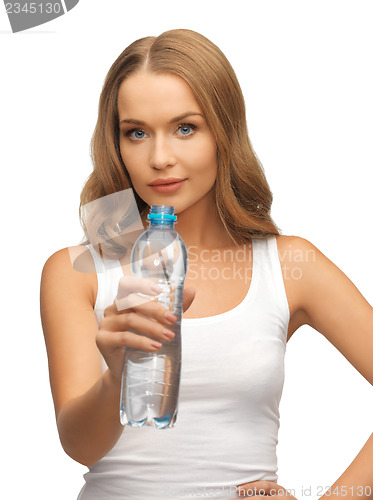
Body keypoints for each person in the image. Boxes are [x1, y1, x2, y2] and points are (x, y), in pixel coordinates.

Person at [40, 29, 373, 500]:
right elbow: (80, 446)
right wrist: (118, 374)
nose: (159, 157)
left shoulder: (288, 264)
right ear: (116, 145)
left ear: (224, 131)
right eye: (136, 132)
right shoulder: (77, 270)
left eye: (185, 128)